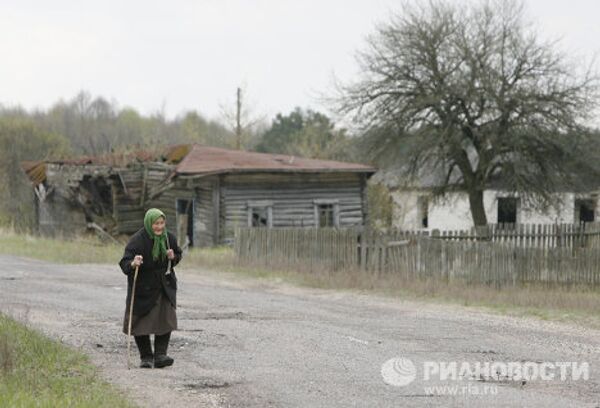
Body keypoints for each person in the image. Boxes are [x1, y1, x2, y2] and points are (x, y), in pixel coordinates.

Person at [118, 208, 183, 368]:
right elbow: (124, 263)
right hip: (143, 287)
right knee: (141, 323)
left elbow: (178, 254)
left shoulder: (169, 238)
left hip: (163, 285)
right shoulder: (138, 240)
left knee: (165, 319)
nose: (159, 227)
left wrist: (173, 257)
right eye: (156, 224)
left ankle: (160, 355)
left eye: (161, 223)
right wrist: (134, 263)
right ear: (149, 223)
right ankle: (146, 357)